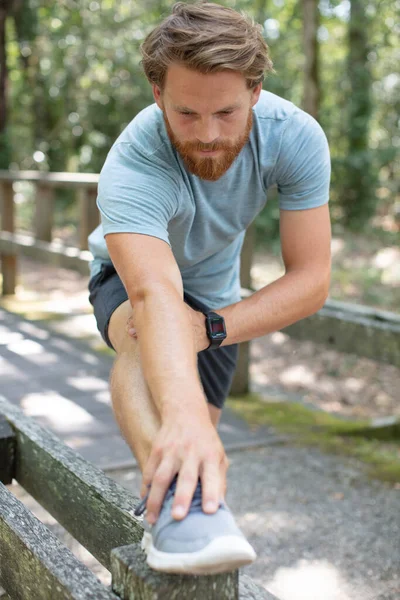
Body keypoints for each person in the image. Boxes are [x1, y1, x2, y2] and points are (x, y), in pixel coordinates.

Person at [87, 1, 331, 575]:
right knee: (145, 335)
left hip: (217, 296)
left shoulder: (294, 137)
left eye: (225, 112)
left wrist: (212, 328)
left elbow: (312, 279)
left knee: (195, 442)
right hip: (133, 284)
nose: (207, 136)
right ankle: (180, 509)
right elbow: (153, 295)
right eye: (186, 113)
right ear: (157, 95)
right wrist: (185, 415)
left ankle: (176, 507)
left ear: (254, 89)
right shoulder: (134, 160)